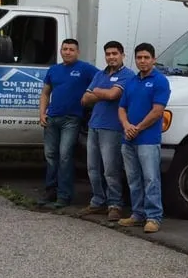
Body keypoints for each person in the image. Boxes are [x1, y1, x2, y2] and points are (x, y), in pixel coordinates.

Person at [37, 38, 99, 208]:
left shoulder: (85, 68)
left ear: (77, 52)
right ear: (61, 51)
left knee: (65, 156)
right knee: (51, 155)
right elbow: (45, 93)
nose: (68, 52)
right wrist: (42, 113)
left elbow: (103, 79)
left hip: (72, 119)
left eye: (71, 49)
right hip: (52, 118)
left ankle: (64, 195)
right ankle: (50, 191)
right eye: (65, 49)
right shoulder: (54, 70)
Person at [118, 43, 171, 234]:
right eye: (139, 57)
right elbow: (121, 108)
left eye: (146, 57)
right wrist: (126, 126)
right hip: (128, 139)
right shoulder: (132, 81)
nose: (142, 61)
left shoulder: (160, 81)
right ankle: (137, 214)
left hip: (148, 139)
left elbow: (157, 111)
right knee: (133, 179)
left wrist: (138, 128)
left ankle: (153, 217)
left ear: (153, 59)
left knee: (151, 179)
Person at [80, 40, 134, 220]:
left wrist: (96, 91)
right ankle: (98, 201)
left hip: (113, 128)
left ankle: (115, 204)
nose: (111, 57)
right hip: (94, 126)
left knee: (111, 170)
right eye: (108, 54)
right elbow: (84, 100)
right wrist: (102, 92)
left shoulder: (128, 75)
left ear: (122, 55)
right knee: (92, 168)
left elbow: (113, 95)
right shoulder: (100, 74)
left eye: (115, 54)